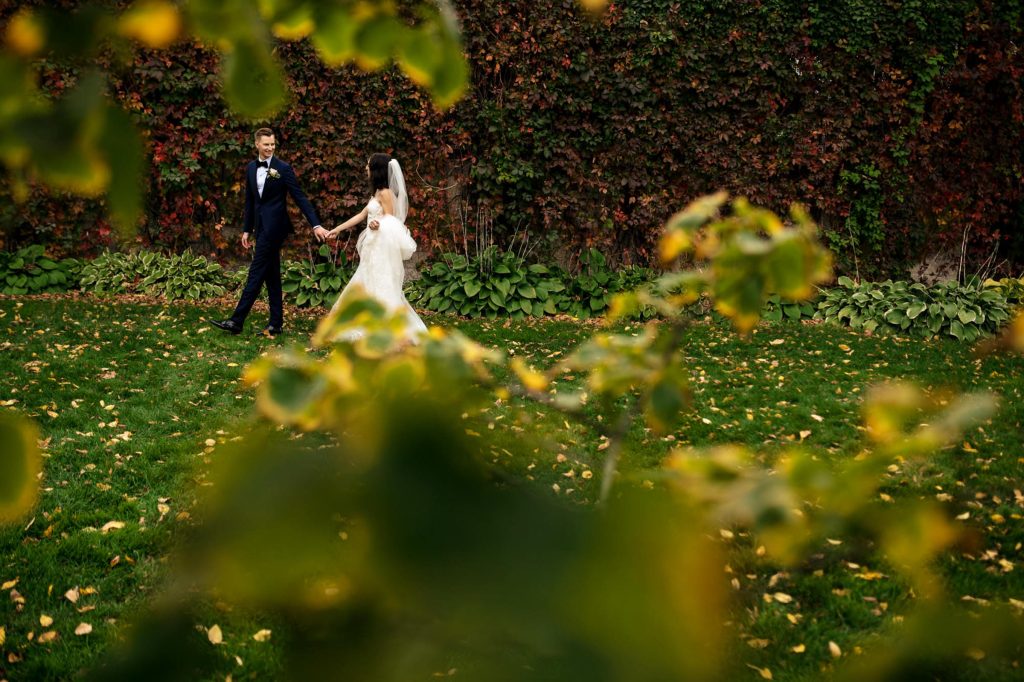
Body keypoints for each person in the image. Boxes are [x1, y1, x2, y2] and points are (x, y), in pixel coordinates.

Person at [212, 128, 329, 336]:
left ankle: (237, 321)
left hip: (275, 228)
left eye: (272, 144)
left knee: (256, 272)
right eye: (266, 144)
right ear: (257, 144)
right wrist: (247, 229)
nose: (270, 148)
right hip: (260, 227)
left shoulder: (283, 168)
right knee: (271, 275)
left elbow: (300, 198)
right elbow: (250, 201)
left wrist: (316, 225)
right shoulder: (250, 168)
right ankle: (276, 323)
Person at [325, 153, 427, 343]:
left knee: (382, 284)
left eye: (368, 164)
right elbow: (361, 215)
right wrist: (336, 229)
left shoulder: (386, 193)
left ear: (376, 169)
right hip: (371, 250)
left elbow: (392, 221)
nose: (365, 167)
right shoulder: (376, 193)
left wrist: (377, 224)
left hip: (380, 248)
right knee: (365, 282)